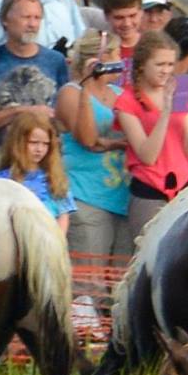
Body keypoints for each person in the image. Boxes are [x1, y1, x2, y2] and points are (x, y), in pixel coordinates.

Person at [114, 30, 188, 242]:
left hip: (186, 185)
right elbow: (147, 155)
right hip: (150, 191)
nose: (166, 71)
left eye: (170, 65)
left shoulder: (179, 91)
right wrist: (165, 111)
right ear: (142, 65)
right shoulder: (127, 101)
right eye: (160, 64)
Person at [0, 0, 70, 170]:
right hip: (0, 170)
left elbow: (67, 121)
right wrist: (20, 112)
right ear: (5, 19)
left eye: (37, 18)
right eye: (26, 17)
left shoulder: (56, 62)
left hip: (45, 172)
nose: (32, 24)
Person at [56, 35, 134, 264]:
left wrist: (106, 143)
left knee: (120, 280)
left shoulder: (120, 94)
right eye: (116, 54)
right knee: (90, 283)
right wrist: (87, 85)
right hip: (86, 196)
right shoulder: (71, 92)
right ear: (102, 58)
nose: (121, 59)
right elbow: (88, 140)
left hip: (122, 196)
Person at [0, 109, 74, 234]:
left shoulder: (54, 178)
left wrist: (57, 241)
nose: (39, 149)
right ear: (18, 142)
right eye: (34, 143)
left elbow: (63, 215)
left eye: (45, 144)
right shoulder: (4, 180)